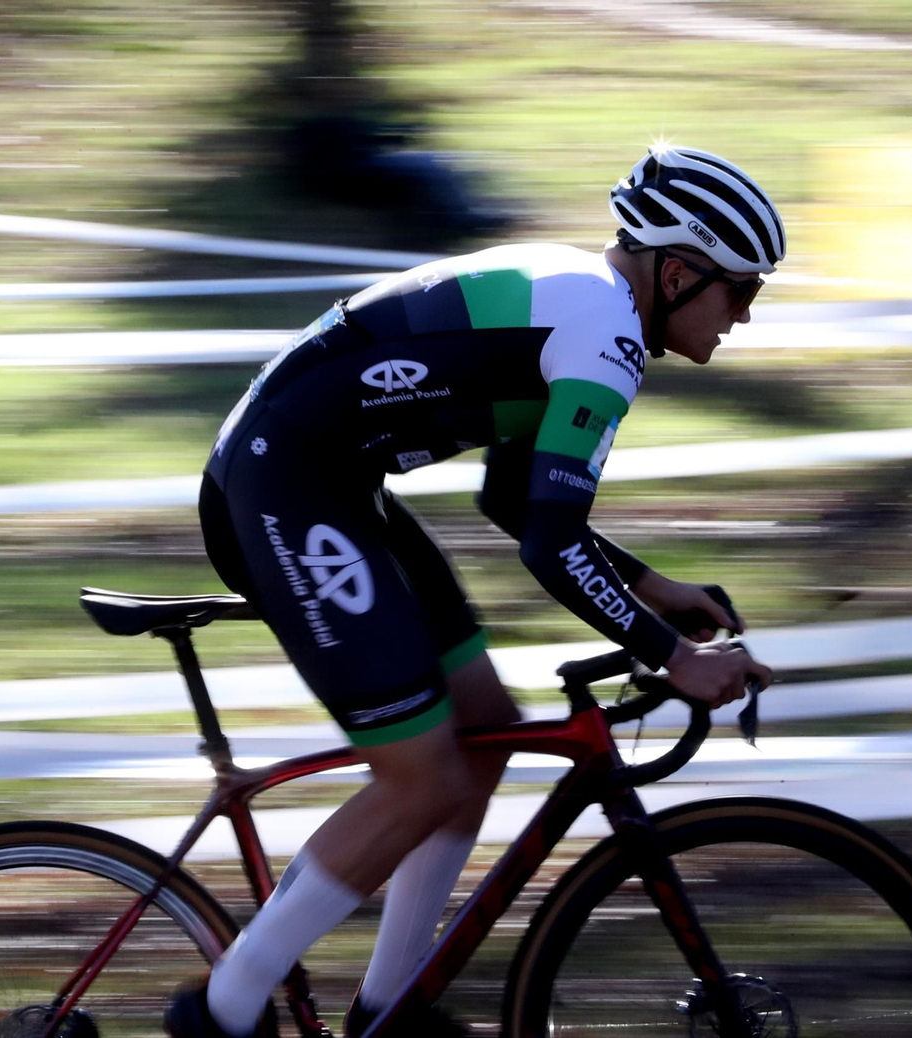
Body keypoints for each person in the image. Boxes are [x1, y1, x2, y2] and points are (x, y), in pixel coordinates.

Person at [165, 144, 783, 1038]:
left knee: (483, 729)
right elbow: (548, 542)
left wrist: (654, 586)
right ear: (682, 274)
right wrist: (674, 655)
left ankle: (392, 1009)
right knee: (420, 777)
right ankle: (223, 1012)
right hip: (286, 483)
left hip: (334, 482)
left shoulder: (591, 308)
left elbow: (513, 496)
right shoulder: (604, 335)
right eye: (743, 292)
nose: (746, 319)